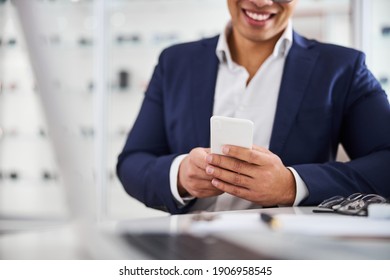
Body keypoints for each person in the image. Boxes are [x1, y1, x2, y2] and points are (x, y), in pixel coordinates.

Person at [116, 0, 390, 214]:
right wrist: (179, 175)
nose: (261, 2)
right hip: (190, 247)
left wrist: (291, 184)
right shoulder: (174, 62)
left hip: (289, 249)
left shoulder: (341, 68)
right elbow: (132, 162)